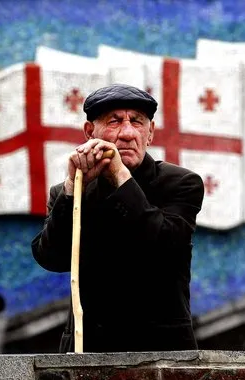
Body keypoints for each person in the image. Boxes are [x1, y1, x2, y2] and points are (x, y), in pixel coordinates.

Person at [31, 83, 205, 353]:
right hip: (87, 348)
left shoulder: (181, 183)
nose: (126, 133)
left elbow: (162, 246)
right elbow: (52, 257)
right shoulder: (71, 191)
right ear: (90, 132)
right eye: (114, 122)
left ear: (150, 133)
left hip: (160, 350)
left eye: (136, 122)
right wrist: (70, 188)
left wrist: (120, 177)